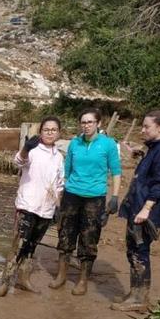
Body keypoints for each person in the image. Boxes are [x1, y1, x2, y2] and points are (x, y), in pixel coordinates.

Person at [111, 111, 160, 311]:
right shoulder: (156, 149)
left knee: (139, 251)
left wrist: (146, 209)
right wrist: (141, 154)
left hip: (145, 211)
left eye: (146, 127)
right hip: (137, 207)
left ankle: (140, 298)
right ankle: (136, 292)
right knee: (133, 250)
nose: (142, 130)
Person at [49, 108, 121, 295]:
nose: (86, 125)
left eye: (90, 122)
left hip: (95, 198)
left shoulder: (108, 144)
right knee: (65, 234)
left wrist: (114, 197)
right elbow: (66, 171)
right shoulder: (75, 143)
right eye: (83, 122)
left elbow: (116, 172)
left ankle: (82, 280)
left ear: (98, 124)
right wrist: (59, 200)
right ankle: (61, 275)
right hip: (72, 195)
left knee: (89, 239)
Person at [0, 116, 65, 297]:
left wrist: (58, 207)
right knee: (18, 245)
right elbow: (18, 162)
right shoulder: (33, 150)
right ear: (41, 132)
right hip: (27, 205)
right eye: (46, 129)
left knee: (32, 246)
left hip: (46, 209)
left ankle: (24, 279)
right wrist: (25, 149)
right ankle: (5, 281)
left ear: (59, 133)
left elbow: (59, 184)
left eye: (53, 130)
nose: (49, 133)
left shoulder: (59, 157)